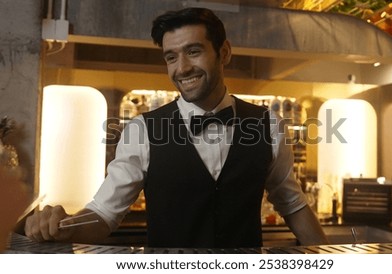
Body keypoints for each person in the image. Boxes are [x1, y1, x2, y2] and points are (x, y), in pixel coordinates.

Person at [25, 7, 328, 248]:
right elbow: (105, 214)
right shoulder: (143, 130)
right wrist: (64, 225)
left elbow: (292, 204)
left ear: (224, 53)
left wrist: (330, 261)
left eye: (193, 52)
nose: (182, 68)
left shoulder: (268, 124)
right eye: (171, 57)